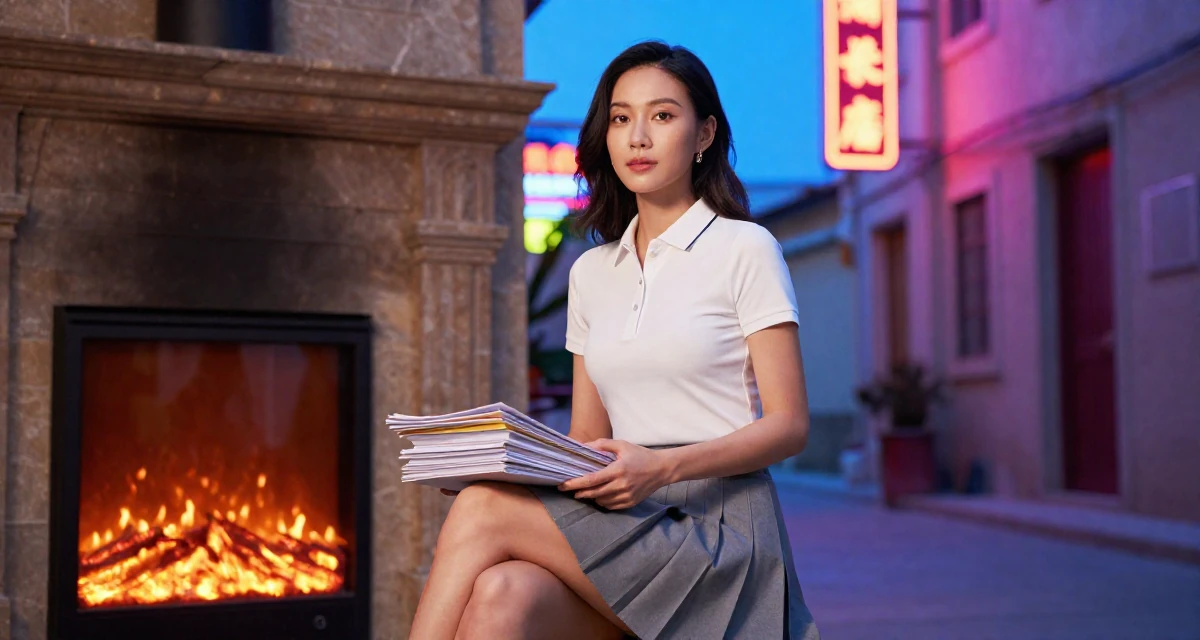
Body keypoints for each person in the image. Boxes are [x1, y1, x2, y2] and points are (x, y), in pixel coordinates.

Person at [408, 41, 820, 640]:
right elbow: (586, 439)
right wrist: (515, 472)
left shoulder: (745, 248)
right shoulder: (591, 272)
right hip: (623, 516)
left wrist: (661, 467)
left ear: (704, 134)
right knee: (502, 593)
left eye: (662, 115)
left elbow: (789, 426)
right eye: (622, 118)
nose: (638, 138)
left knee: (480, 510)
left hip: (720, 532)